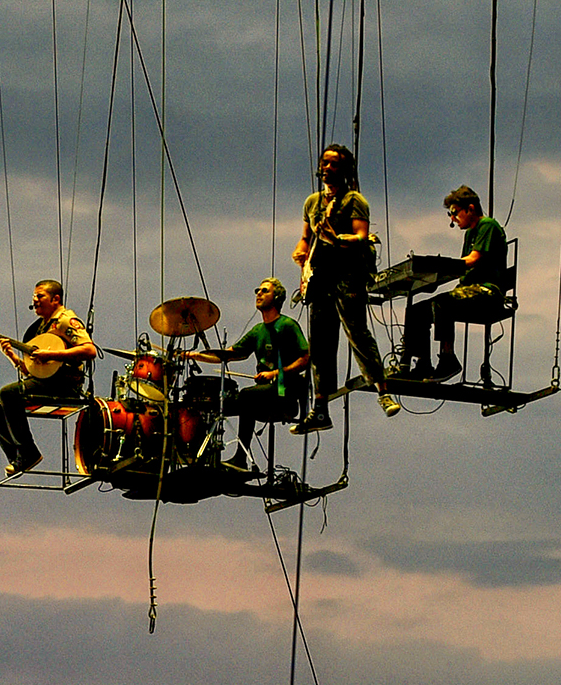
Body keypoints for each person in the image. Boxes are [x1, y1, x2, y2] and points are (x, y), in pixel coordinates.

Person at [292, 143, 395, 422]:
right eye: (324, 163)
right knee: (321, 344)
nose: (327, 168)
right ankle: (321, 407)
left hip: (347, 276)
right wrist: (301, 251)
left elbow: (361, 236)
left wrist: (337, 239)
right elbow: (306, 237)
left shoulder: (354, 201)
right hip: (320, 279)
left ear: (345, 169)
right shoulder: (313, 202)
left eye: (333, 164)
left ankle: (383, 391)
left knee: (357, 333)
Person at [179, 279, 311, 469]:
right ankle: (202, 458)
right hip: (263, 393)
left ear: (277, 298)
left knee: (247, 396)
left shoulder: (288, 325)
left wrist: (275, 373)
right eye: (257, 290)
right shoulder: (258, 331)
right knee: (216, 404)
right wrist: (195, 355)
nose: (258, 293)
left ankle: (241, 459)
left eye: (264, 291)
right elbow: (230, 355)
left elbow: (305, 358)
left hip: (284, 391)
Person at [0, 279, 99, 473]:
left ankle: (28, 452)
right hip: (45, 382)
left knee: (8, 394)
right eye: (34, 297)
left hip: (64, 384)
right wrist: (12, 356)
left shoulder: (64, 320)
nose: (35, 300)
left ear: (55, 299)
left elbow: (89, 350)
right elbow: (33, 372)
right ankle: (17, 456)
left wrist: (51, 354)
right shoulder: (39, 328)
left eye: (40, 296)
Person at [402, 184, 513, 381]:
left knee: (443, 303)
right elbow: (463, 269)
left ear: (470, 209)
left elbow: (472, 260)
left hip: (487, 291)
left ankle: (448, 359)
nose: (453, 219)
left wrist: (441, 264)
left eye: (454, 213)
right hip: (469, 290)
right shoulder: (470, 233)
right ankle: (422, 363)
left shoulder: (487, 225)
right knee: (416, 311)